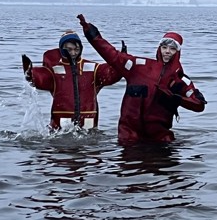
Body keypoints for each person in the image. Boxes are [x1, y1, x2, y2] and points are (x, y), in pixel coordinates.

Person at [77, 14, 206, 144]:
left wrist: (177, 99)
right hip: (128, 137)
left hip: (160, 140)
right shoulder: (138, 66)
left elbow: (199, 105)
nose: (167, 51)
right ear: (159, 48)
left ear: (178, 52)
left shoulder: (181, 80)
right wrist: (90, 32)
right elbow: (111, 54)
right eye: (164, 47)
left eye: (172, 49)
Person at [22, 30, 122, 131]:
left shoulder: (93, 68)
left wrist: (121, 59)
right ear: (62, 49)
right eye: (69, 49)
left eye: (76, 49)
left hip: (89, 122)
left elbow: (112, 75)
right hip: (60, 124)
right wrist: (29, 72)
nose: (73, 53)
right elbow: (38, 79)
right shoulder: (54, 70)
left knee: (91, 141)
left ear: (81, 49)